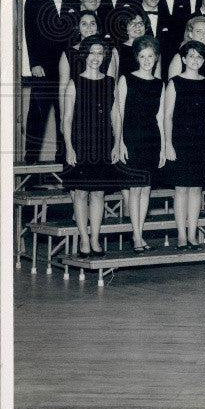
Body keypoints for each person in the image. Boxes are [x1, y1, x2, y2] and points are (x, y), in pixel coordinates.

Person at [61, 36, 131, 258]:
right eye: (92, 52)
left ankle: (95, 238)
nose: (96, 57)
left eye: (100, 53)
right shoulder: (75, 82)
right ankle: (83, 238)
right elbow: (67, 119)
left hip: (103, 143)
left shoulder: (110, 82)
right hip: (81, 144)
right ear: (84, 55)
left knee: (99, 193)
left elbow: (116, 116)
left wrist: (117, 143)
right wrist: (69, 148)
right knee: (81, 193)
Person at [23, 0, 81, 166]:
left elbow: (76, 36)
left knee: (65, 118)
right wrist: (34, 63)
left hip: (67, 70)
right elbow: (29, 32)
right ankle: (29, 173)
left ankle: (64, 169)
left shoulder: (75, 0)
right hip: (43, 70)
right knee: (36, 119)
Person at [163, 40, 205, 249]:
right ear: (184, 59)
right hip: (180, 139)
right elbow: (167, 116)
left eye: (199, 56)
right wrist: (168, 144)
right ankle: (182, 235)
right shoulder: (175, 82)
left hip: (202, 139)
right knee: (181, 189)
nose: (195, 60)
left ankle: (193, 234)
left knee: (196, 190)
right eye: (191, 56)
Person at [112, 35, 165, 252]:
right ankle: (136, 236)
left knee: (146, 189)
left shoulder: (160, 84)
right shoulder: (126, 79)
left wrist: (162, 146)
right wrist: (119, 142)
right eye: (142, 56)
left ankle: (140, 233)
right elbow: (119, 113)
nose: (146, 60)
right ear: (137, 57)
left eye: (150, 56)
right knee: (135, 189)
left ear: (156, 58)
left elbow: (160, 117)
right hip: (132, 138)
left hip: (151, 139)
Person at [59, 12, 116, 116]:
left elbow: (111, 88)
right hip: (75, 110)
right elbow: (63, 88)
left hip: (101, 110)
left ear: (97, 27)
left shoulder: (108, 52)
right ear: (78, 28)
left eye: (92, 23)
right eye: (84, 24)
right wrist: (63, 117)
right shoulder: (68, 53)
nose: (89, 27)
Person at [166, 17, 205, 83]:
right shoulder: (179, 57)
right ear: (190, 34)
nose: (204, 35)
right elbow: (171, 87)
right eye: (199, 31)